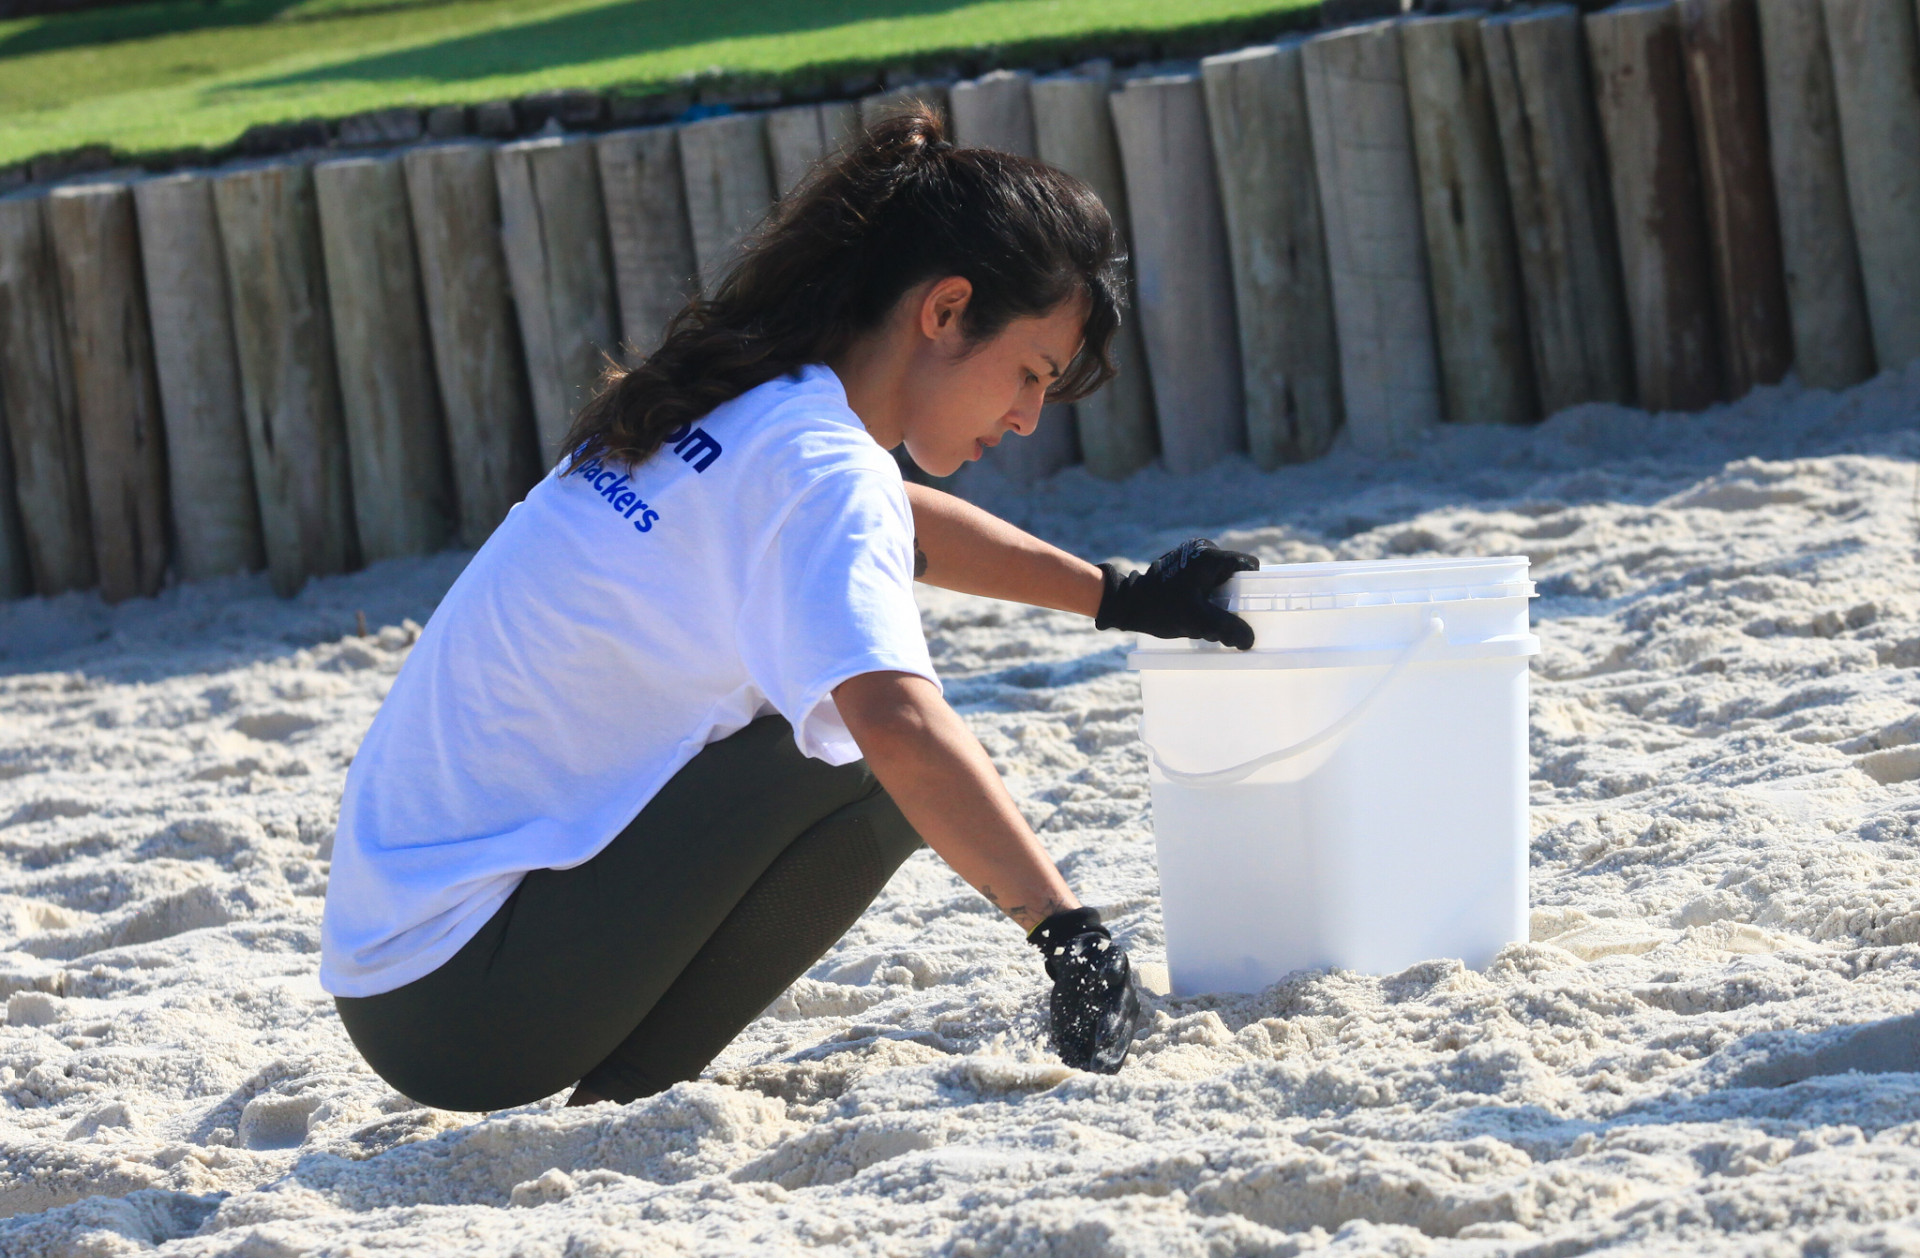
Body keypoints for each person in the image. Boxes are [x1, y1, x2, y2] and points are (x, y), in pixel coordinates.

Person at [318, 108, 1258, 1112]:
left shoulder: (743, 398)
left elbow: (897, 521)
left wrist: (1117, 595)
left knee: (829, 718)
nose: (1028, 415)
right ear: (944, 311)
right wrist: (1068, 932)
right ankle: (635, 1091)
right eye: (1030, 372)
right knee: (874, 761)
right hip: (470, 1008)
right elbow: (897, 719)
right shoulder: (819, 465)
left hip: (399, 965)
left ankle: (628, 1090)